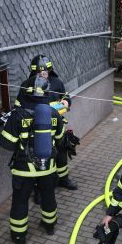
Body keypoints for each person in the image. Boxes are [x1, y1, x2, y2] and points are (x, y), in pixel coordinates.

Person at [0, 75, 65, 244]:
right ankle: (49, 226)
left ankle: (19, 237)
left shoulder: (17, 115)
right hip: (48, 167)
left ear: (26, 92)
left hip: (24, 169)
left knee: (20, 201)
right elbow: (60, 139)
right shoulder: (54, 113)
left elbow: (6, 144)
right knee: (48, 196)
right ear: (47, 93)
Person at [16, 55, 78, 191]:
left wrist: (66, 101)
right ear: (33, 72)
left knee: (61, 153)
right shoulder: (26, 85)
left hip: (56, 125)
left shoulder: (56, 82)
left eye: (45, 72)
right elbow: (18, 106)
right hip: (37, 129)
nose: (43, 74)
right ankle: (39, 189)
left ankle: (63, 179)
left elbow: (65, 96)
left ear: (50, 70)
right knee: (39, 156)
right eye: (39, 72)